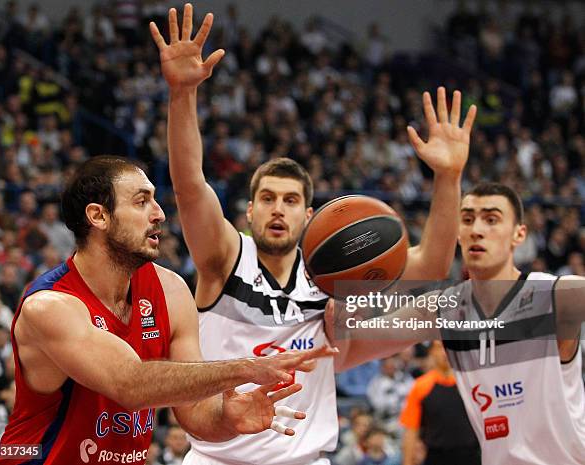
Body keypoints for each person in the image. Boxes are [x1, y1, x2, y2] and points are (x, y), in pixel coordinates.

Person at [149, 4, 476, 464]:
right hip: (219, 458)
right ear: (249, 210)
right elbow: (189, 185)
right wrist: (182, 95)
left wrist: (447, 178)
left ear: (308, 215)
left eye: (289, 200)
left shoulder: (331, 277)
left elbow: (431, 267)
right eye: (267, 198)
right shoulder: (224, 256)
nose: (277, 209)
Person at [0, 156, 337, 465]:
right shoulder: (50, 306)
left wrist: (227, 420)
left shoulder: (170, 290)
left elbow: (196, 412)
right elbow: (130, 385)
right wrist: (246, 368)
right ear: (98, 215)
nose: (159, 213)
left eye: (155, 200)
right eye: (142, 201)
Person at [329, 182, 585, 464]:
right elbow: (345, 355)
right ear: (459, 235)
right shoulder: (443, 309)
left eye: (491, 219)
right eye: (467, 219)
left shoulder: (558, 296)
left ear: (519, 234)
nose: (476, 229)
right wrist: (341, 294)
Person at [400, 341, 480, 465]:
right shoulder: (421, 386)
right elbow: (411, 430)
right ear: (432, 352)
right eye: (439, 348)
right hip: (436, 456)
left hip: (471, 454)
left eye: (448, 347)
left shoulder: (471, 382)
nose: (445, 352)